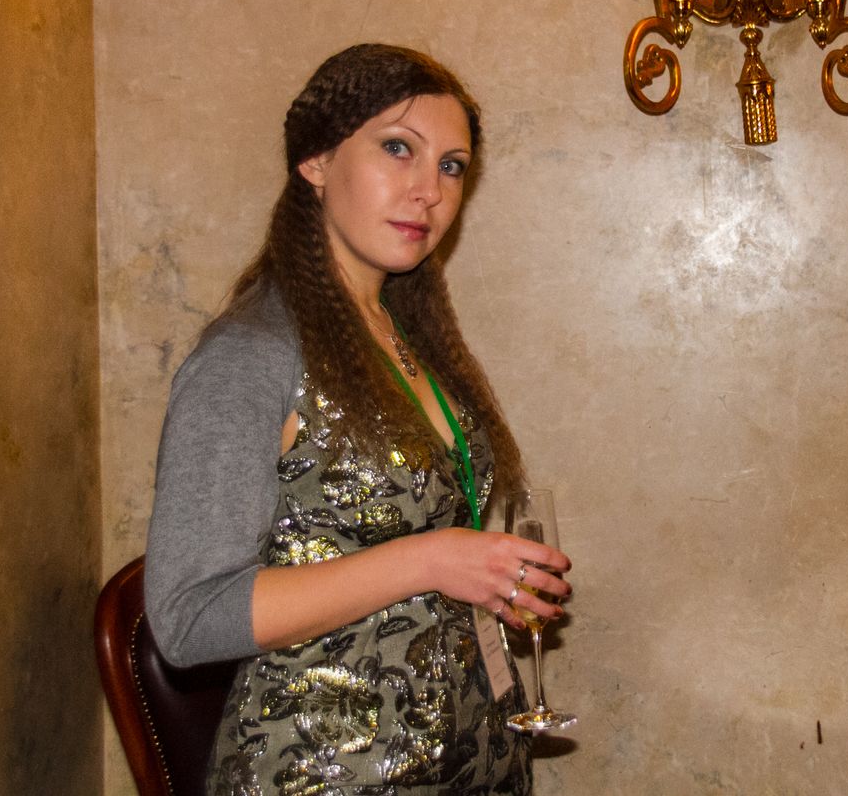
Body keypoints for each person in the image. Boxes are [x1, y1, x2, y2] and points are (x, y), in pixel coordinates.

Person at [144, 43, 572, 795]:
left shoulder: (403, 331)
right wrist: (432, 560)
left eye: (451, 166)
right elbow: (189, 618)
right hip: (325, 774)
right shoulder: (250, 355)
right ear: (315, 161)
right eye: (398, 148)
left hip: (469, 763)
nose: (429, 191)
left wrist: (480, 575)